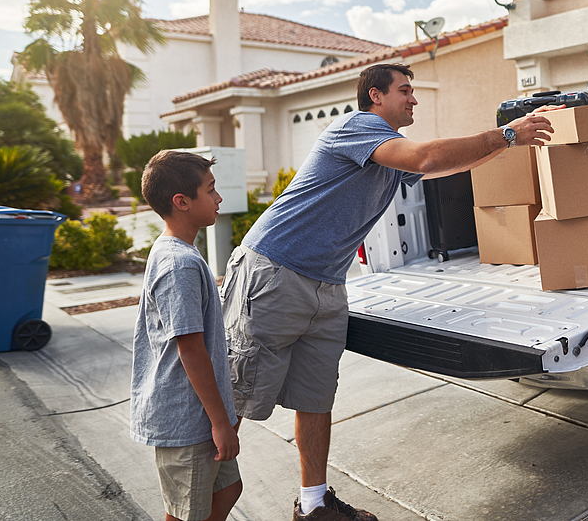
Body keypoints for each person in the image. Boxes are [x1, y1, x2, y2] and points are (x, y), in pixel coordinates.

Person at [220, 63, 554, 521]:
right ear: (375, 96)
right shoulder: (358, 128)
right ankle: (198, 506)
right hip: (276, 272)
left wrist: (507, 144)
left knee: (316, 398)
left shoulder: (387, 156)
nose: (413, 99)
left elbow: (450, 163)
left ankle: (314, 506)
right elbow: (429, 158)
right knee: (234, 399)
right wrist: (506, 134)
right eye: (405, 91)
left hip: (327, 284)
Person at [130, 150, 242, 521]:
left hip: (199, 413)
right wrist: (221, 423)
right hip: (187, 417)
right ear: (182, 202)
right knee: (185, 514)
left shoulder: (181, 254)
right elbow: (190, 350)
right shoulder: (177, 264)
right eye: (210, 190)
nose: (218, 198)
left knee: (227, 489)